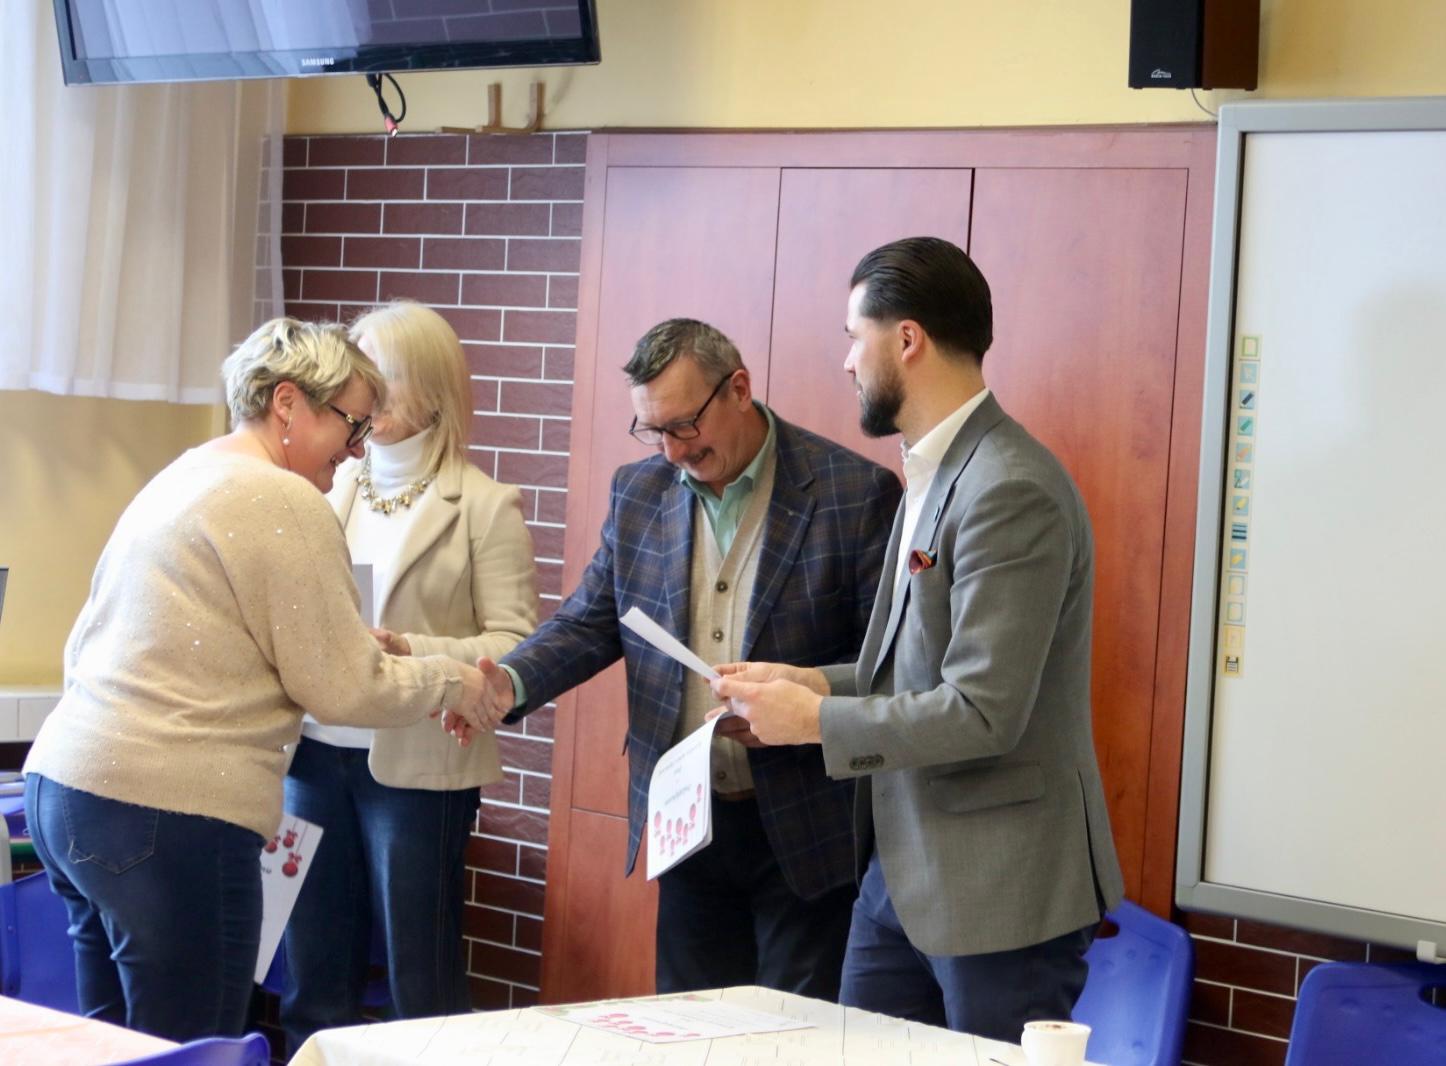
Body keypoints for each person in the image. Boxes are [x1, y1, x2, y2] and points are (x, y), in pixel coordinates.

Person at [22, 318, 499, 1042]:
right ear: (287, 403)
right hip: (168, 813)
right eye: (351, 423)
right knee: (194, 1049)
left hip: (67, 787)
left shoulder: (186, 473)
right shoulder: (281, 500)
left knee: (117, 1047)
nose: (356, 449)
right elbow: (344, 689)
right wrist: (451, 680)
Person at [711, 237, 1124, 1041]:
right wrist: (811, 683)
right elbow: (915, 668)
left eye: (853, 337)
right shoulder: (932, 473)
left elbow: (980, 710)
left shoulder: (1010, 486)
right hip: (898, 878)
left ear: (907, 339)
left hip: (1000, 893)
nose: (846, 362)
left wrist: (814, 722)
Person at [469, 318, 901, 997]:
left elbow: (887, 665)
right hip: (687, 818)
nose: (672, 450)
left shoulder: (855, 493)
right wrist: (511, 681)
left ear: (739, 389)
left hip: (808, 825)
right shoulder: (638, 493)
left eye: (684, 425)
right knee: (689, 1025)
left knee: (794, 1034)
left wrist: (805, 699)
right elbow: (591, 621)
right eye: (654, 431)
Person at [280, 302, 538, 1050]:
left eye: (375, 376)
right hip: (312, 754)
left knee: (420, 983)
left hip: (419, 764)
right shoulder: (321, 486)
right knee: (312, 976)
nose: (357, 393)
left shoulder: (484, 505)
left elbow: (517, 644)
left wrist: (407, 646)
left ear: (428, 388)